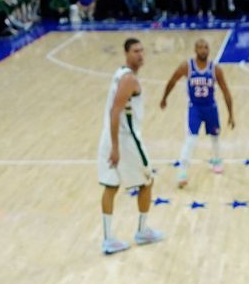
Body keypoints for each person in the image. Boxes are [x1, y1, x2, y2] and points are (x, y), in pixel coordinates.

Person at [99, 38, 163, 255]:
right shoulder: (128, 79)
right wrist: (116, 147)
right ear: (126, 53)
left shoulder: (119, 74)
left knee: (111, 185)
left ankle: (108, 239)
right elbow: (115, 111)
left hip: (110, 135)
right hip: (126, 139)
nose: (140, 55)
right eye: (136, 51)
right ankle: (142, 231)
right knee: (147, 181)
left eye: (142, 51)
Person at [159, 39, 235, 188]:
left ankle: (217, 159)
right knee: (191, 139)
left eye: (206, 47)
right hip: (195, 108)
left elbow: (226, 91)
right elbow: (172, 81)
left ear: (209, 50)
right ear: (195, 50)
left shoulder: (215, 69)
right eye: (200, 47)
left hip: (210, 107)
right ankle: (182, 171)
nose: (203, 50)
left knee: (215, 136)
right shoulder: (187, 66)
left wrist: (231, 114)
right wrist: (164, 98)